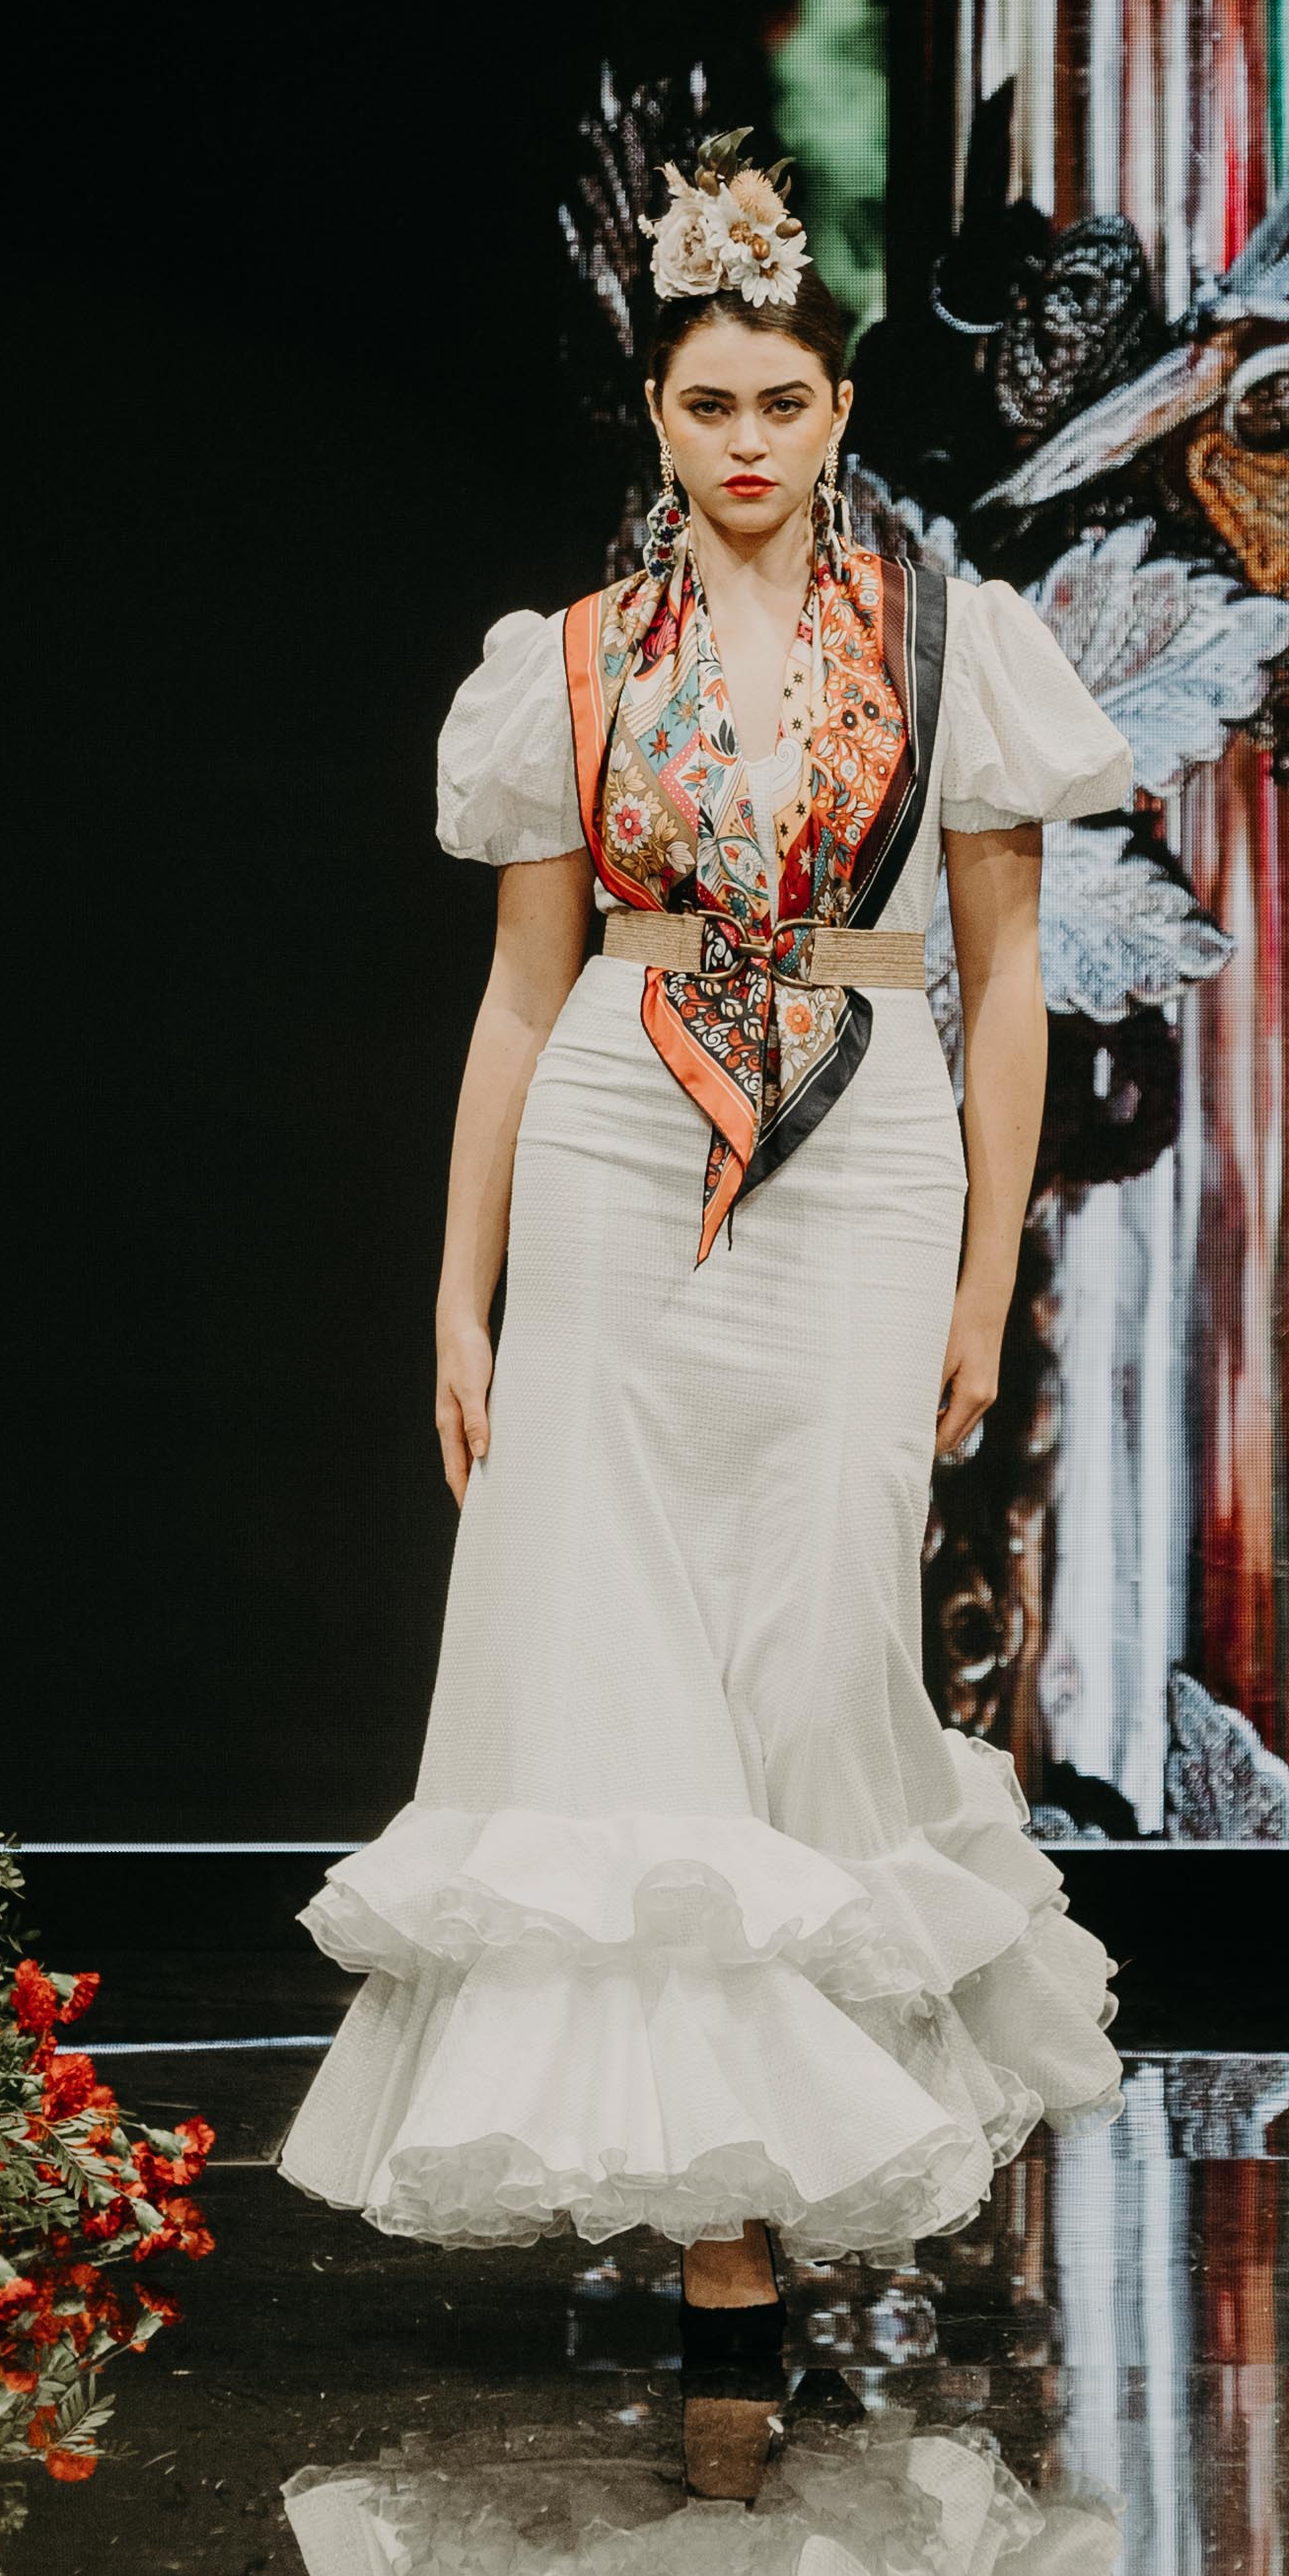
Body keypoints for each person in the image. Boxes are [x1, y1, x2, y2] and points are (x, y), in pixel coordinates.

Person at [274, 135, 1127, 2363]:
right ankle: (721, 2218)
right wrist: (455, 1284)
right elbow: (519, 991)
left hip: (862, 1155)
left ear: (843, 408)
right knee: (624, 1650)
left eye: (782, 401)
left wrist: (980, 1280)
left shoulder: (956, 642)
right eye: (704, 404)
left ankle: (799, 2147)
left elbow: (1006, 977)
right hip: (616, 1152)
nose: (745, 442)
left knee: (823, 1631)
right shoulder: (568, 665)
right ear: (654, 416)